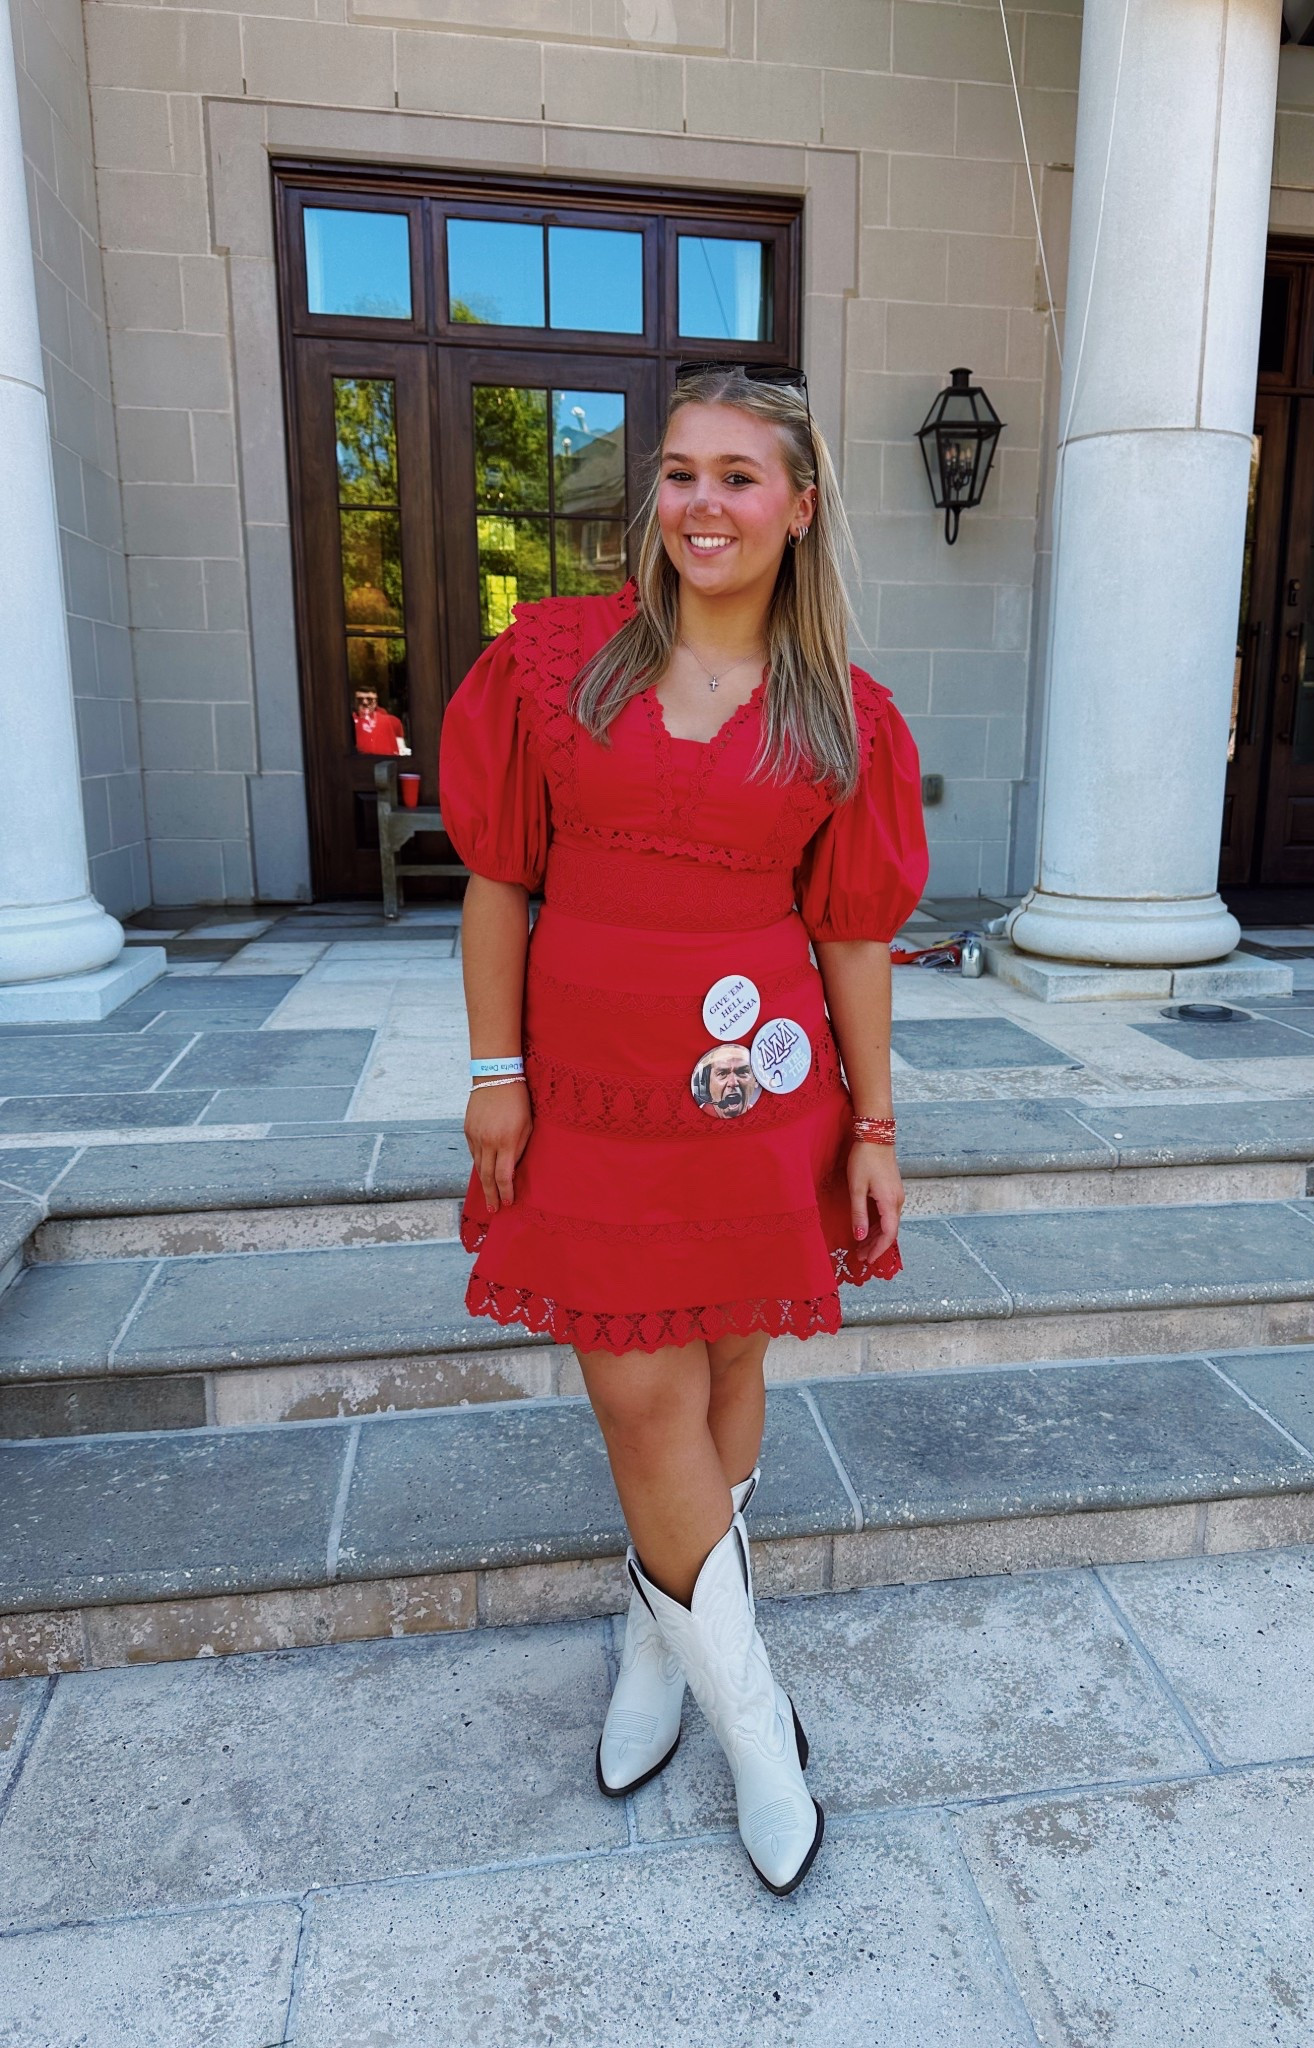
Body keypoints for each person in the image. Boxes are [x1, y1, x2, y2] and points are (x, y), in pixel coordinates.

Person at [440, 364, 928, 1898]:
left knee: (727, 1367)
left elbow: (851, 934)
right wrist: (493, 1069)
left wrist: (877, 1122)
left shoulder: (843, 715)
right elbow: (498, 881)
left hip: (757, 1097)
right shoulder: (556, 664)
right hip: (586, 1100)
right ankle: (759, 1717)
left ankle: (658, 1654)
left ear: (797, 507)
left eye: (737, 477)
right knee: (641, 1400)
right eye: (679, 472)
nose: (702, 504)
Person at [352, 686, 408, 756]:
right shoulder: (348, 723)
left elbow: (401, 750)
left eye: (369, 699)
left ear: (375, 702)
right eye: (360, 699)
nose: (365, 702)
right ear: (354, 702)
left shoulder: (393, 722)